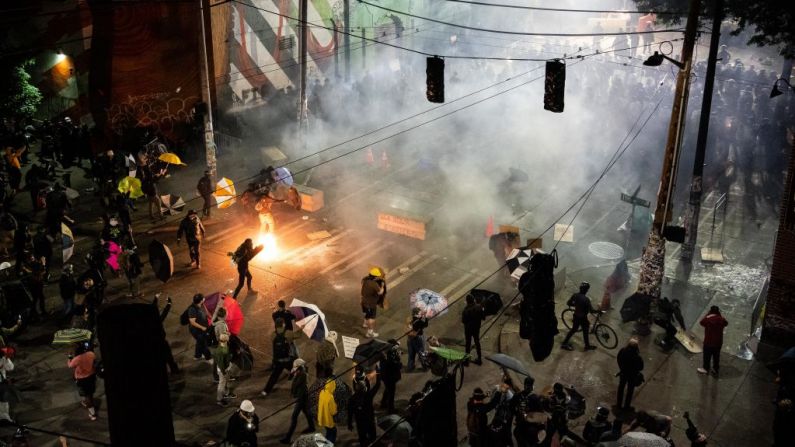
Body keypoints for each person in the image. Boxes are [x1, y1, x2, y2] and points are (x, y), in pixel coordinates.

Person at [279, 358, 315, 444]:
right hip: (302, 398)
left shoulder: (303, 375)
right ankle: (312, 427)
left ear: (300, 367)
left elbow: (297, 385)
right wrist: (293, 374)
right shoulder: (298, 372)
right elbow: (291, 379)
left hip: (301, 398)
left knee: (294, 417)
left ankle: (288, 438)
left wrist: (297, 398)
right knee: (306, 412)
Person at [262, 318, 299, 396]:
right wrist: (301, 328)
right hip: (287, 360)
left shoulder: (273, 335)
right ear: (283, 324)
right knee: (300, 369)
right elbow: (298, 335)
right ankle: (296, 389)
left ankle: (266, 391)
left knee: (274, 376)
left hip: (278, 360)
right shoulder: (288, 333)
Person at [348, 367, 381, 446]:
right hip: (369, 420)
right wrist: (378, 372)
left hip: (360, 422)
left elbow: (350, 412)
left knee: (362, 438)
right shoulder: (368, 395)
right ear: (365, 388)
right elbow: (377, 385)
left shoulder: (352, 399)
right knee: (373, 437)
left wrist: (349, 423)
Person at [512, 376, 547, 447]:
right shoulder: (535, 398)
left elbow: (511, 407)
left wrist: (517, 414)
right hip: (529, 425)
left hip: (520, 423)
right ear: (531, 387)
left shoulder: (518, 395)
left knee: (517, 434)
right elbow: (540, 413)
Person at [561, 282, 596, 351]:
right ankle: (565, 344)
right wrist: (599, 311)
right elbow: (592, 311)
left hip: (576, 316)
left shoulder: (575, 295)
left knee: (577, 329)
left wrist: (577, 305)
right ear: (586, 290)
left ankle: (586, 346)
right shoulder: (586, 299)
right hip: (582, 318)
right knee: (583, 329)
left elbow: (569, 303)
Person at [67, 342, 97, 421]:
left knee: (86, 395)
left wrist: (70, 356)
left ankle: (92, 413)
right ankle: (88, 402)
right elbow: (94, 361)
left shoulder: (77, 359)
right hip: (91, 376)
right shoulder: (91, 354)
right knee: (90, 393)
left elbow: (70, 365)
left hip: (82, 379)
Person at [698, 305, 728, 376]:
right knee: (716, 356)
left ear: (710, 311)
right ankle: (715, 369)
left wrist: (708, 315)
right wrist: (719, 315)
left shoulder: (708, 319)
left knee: (707, 356)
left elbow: (701, 322)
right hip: (718, 342)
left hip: (708, 342)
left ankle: (706, 368)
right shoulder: (721, 319)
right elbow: (726, 323)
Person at [485, 376, 515, 446]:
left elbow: (509, 410)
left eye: (507, 388)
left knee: (506, 430)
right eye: (503, 386)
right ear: (502, 384)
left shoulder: (510, 396)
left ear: (509, 388)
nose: (504, 389)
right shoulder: (496, 388)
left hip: (504, 414)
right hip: (496, 412)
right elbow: (491, 397)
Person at [616, 337, 643, 410]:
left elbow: (618, 358)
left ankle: (618, 404)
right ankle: (626, 406)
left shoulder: (623, 350)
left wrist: (621, 368)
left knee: (621, 388)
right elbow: (641, 367)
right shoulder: (637, 357)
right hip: (632, 376)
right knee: (630, 391)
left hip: (623, 373)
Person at [379, 339, 402, 413]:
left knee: (387, 389)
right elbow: (396, 365)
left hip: (385, 376)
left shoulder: (384, 353)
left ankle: (383, 403)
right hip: (390, 377)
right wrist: (399, 359)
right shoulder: (389, 356)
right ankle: (390, 409)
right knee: (391, 393)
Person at [360, 268, 385, 338]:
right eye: (377, 276)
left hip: (363, 302)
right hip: (371, 304)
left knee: (367, 314)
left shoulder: (365, 280)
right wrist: (382, 286)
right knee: (371, 319)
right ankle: (369, 332)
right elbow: (380, 292)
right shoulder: (374, 284)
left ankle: (365, 323)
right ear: (375, 277)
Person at [214, 333, 237, 407]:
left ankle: (226, 393)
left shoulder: (224, 346)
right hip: (223, 370)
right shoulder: (220, 351)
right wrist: (224, 372)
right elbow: (221, 364)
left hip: (226, 368)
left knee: (225, 381)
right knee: (221, 384)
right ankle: (219, 399)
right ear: (226, 340)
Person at [187, 293, 212, 361]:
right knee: (204, 343)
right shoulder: (192, 309)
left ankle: (197, 356)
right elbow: (192, 322)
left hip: (204, 328)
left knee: (200, 342)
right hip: (197, 331)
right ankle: (208, 357)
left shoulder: (202, 304)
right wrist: (202, 327)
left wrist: (211, 317)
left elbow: (206, 313)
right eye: (203, 298)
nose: (204, 298)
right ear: (200, 300)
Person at [462, 294, 485, 365]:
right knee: (477, 342)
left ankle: (466, 360)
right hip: (476, 328)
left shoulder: (465, 310)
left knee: (468, 344)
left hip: (468, 329)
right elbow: (483, 317)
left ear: (467, 301)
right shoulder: (479, 307)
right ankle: (479, 359)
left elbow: (463, 321)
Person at [406, 307, 428, 372]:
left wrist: (421, 316)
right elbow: (425, 325)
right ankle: (425, 367)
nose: (420, 313)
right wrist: (426, 317)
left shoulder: (409, 319)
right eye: (419, 313)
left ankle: (410, 367)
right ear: (416, 314)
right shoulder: (419, 322)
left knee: (411, 354)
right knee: (421, 353)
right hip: (418, 339)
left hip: (410, 339)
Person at [317, 378, 338, 444]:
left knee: (328, 431)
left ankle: (326, 442)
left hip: (322, 418)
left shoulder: (322, 392)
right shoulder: (330, 397)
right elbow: (333, 411)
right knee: (333, 431)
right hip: (329, 419)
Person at [0, 349, 16, 423]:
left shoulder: (3, 358)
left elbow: (10, 367)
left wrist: (6, 359)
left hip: (2, 383)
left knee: (4, 400)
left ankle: (5, 417)